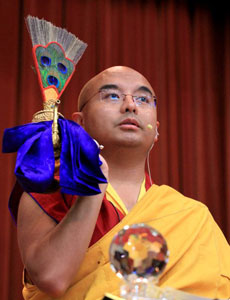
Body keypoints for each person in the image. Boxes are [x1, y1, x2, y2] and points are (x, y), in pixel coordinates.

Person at [14, 66, 229, 300]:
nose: (130, 106)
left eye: (143, 99)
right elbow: (51, 278)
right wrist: (93, 189)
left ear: (156, 131)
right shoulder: (49, 188)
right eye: (112, 96)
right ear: (80, 124)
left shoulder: (190, 215)